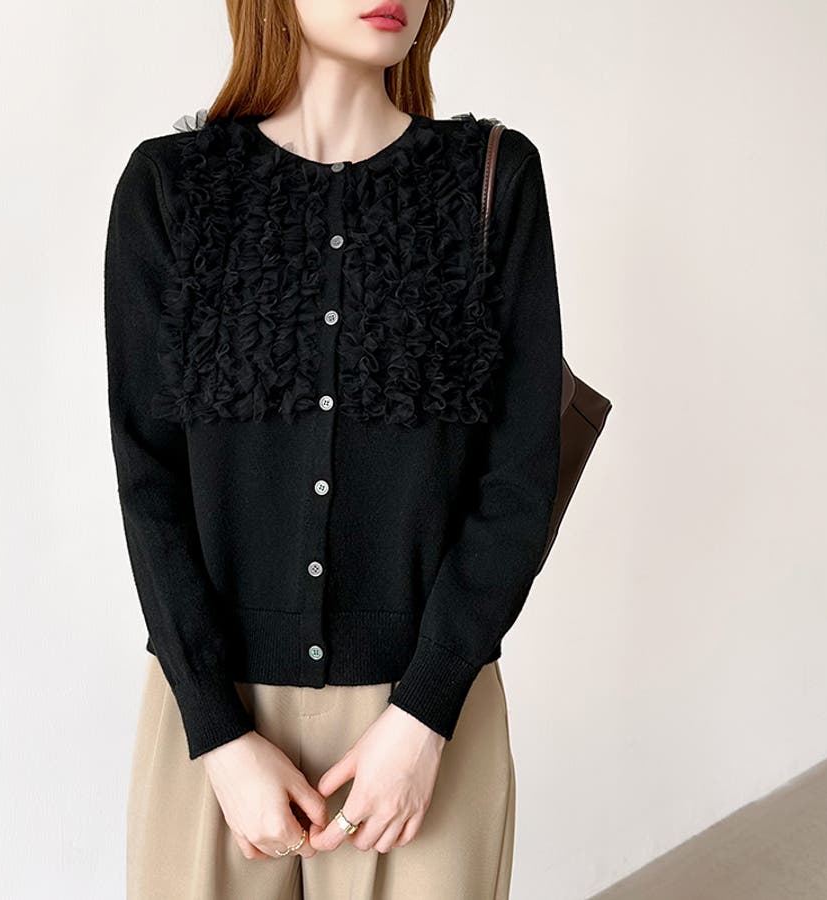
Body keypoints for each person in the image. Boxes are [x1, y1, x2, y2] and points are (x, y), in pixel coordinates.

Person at [103, 0, 563, 896]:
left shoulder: (492, 179)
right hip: (214, 720)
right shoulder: (171, 187)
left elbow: (519, 479)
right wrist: (218, 733)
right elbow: (146, 479)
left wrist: (425, 712)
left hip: (426, 721)